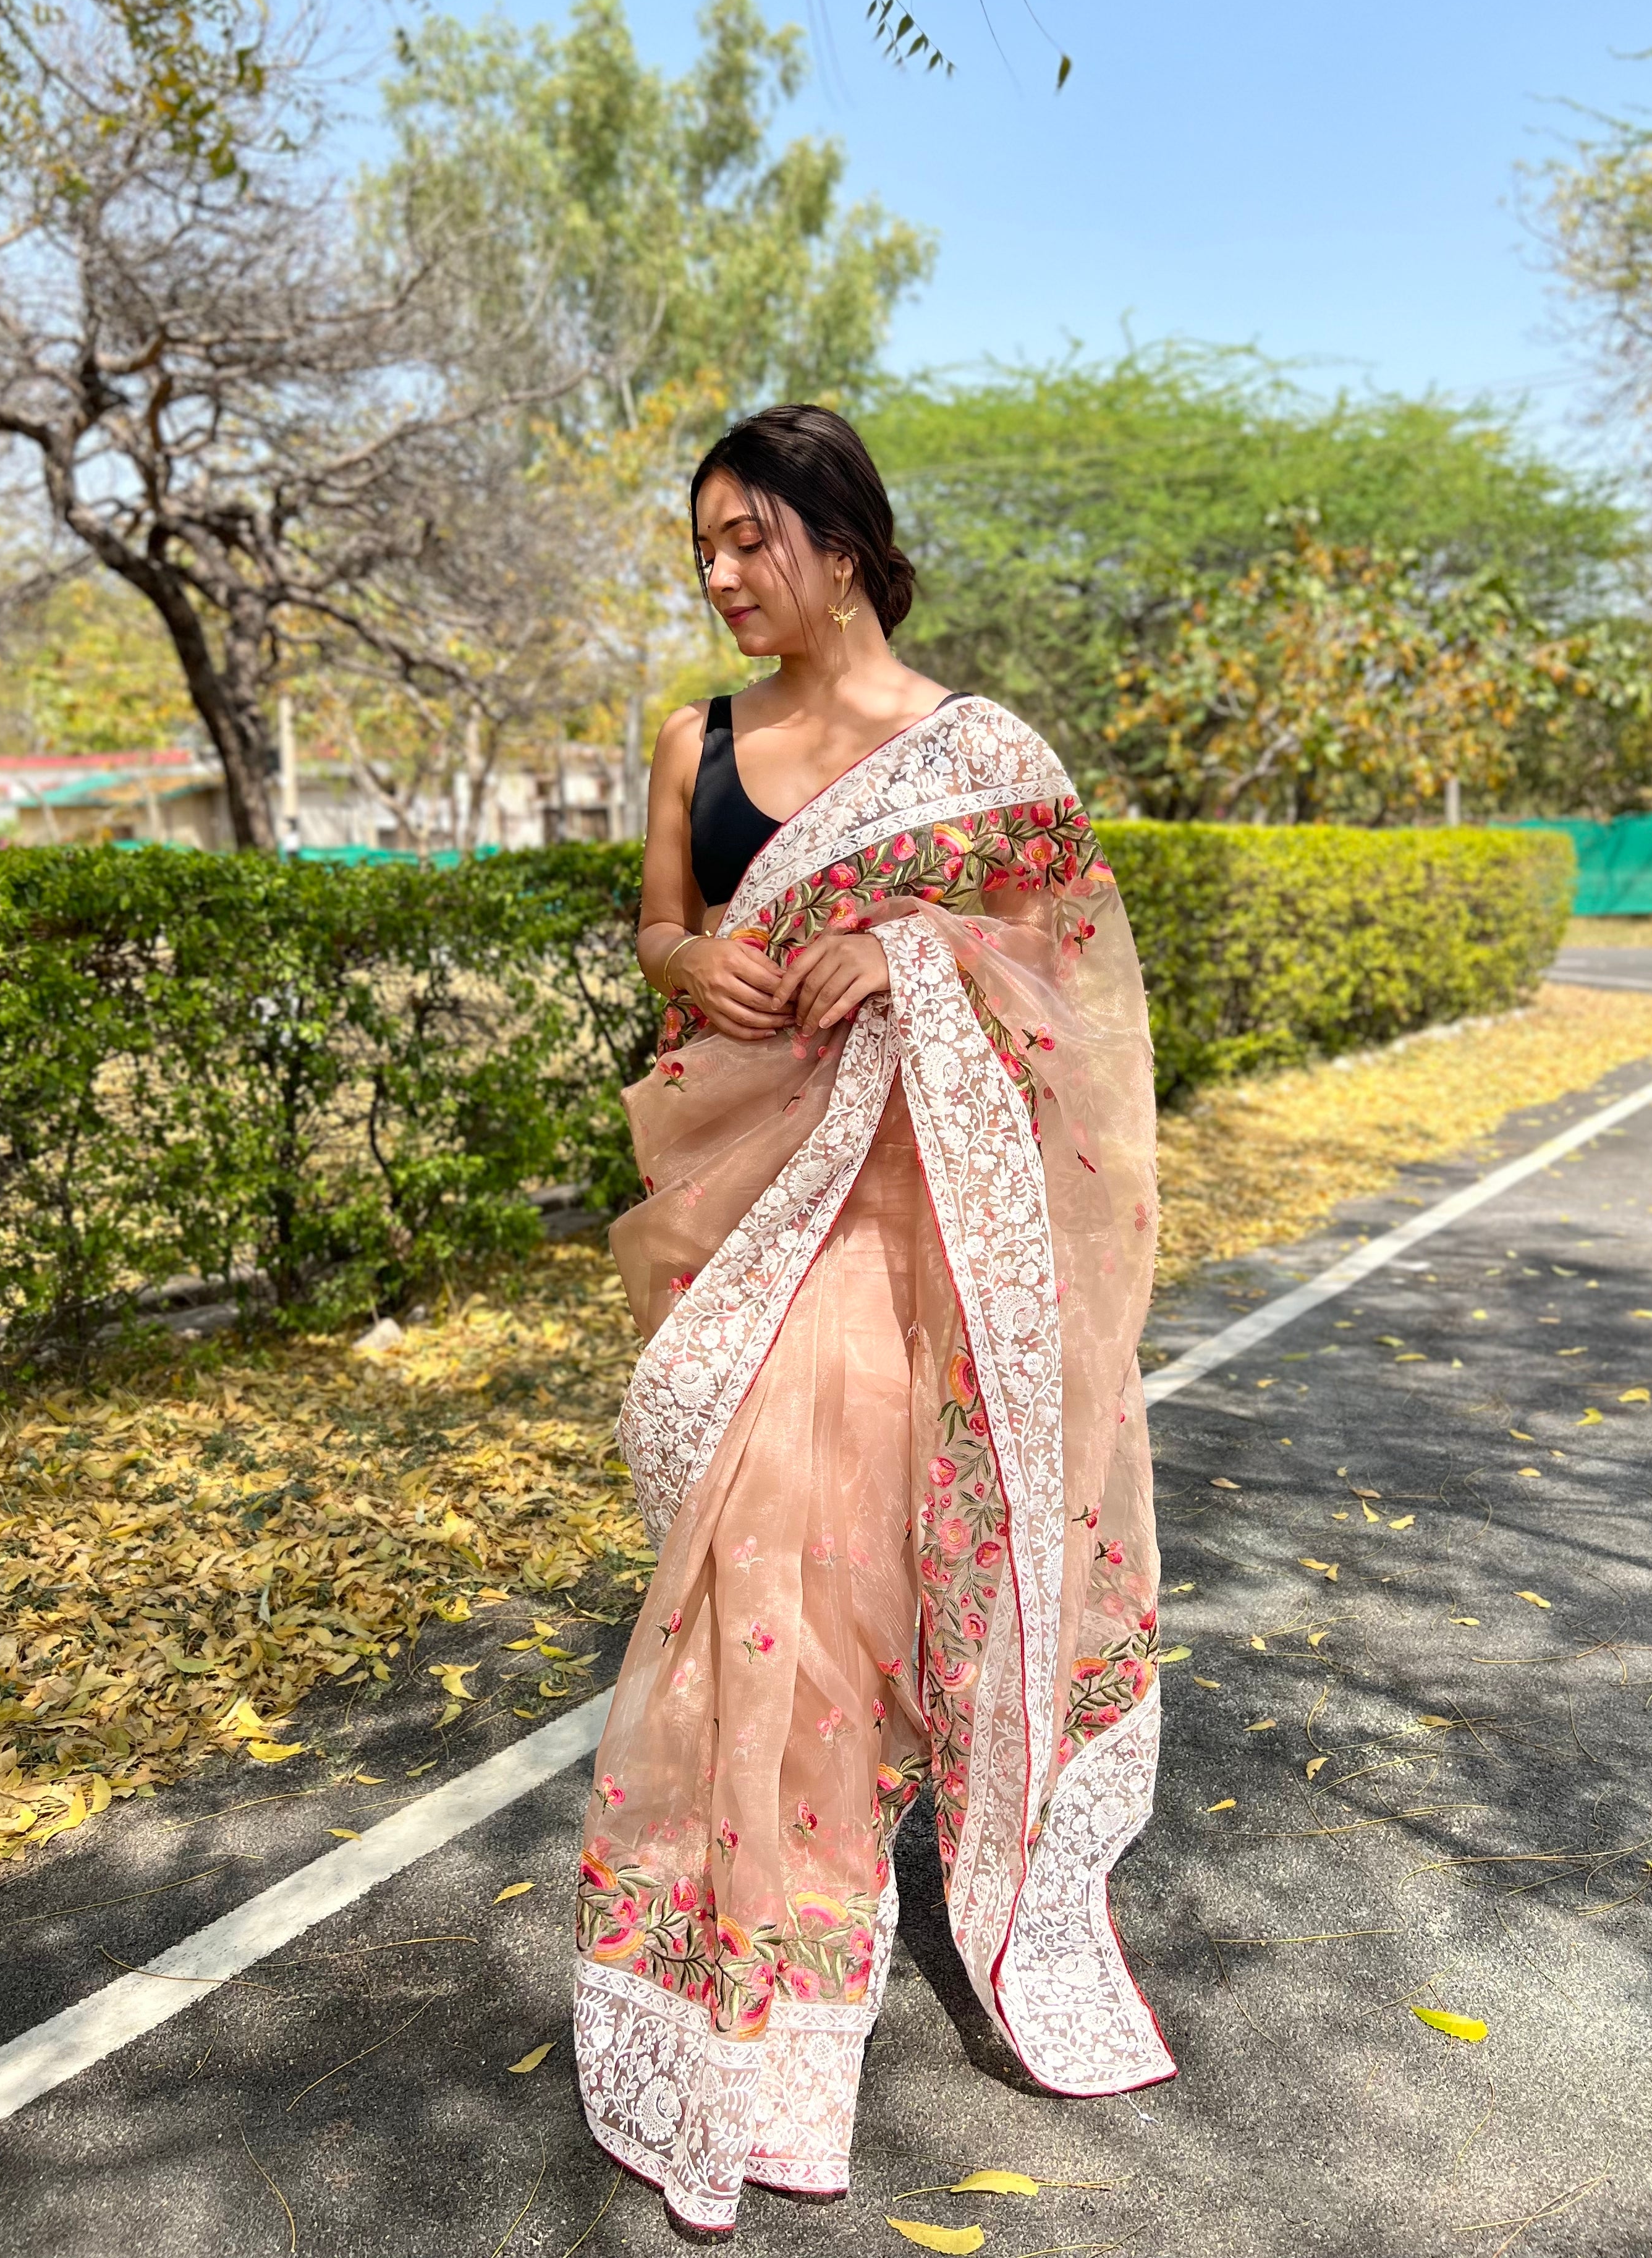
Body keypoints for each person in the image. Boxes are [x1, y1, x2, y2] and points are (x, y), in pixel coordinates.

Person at [572, 405, 1172, 2236]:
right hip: (756, 1197)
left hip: (931, 1226)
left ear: (843, 544)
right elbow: (660, 930)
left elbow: (1074, 985)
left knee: (868, 1571)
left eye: (754, 542)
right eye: (707, 551)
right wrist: (706, 961)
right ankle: (753, 2000)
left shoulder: (978, 758)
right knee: (772, 1565)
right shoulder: (695, 736)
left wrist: (908, 953)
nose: (726, 579)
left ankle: (855, 1948)